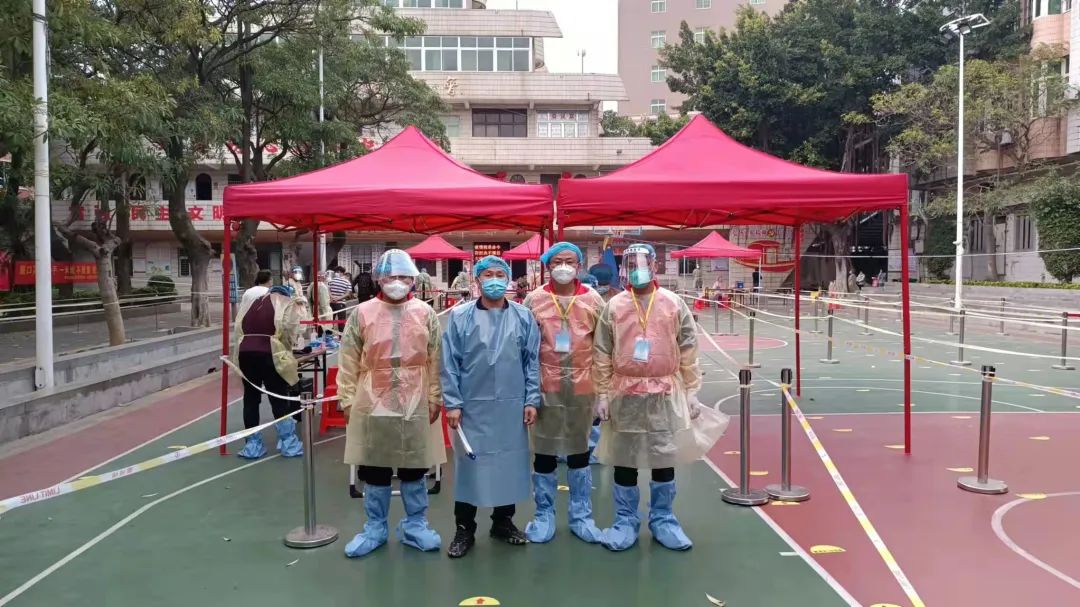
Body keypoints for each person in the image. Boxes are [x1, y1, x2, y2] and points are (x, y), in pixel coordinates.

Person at [593, 243, 713, 552]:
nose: (638, 270)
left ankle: (663, 519)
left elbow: (688, 347)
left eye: (643, 264)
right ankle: (625, 520)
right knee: (624, 458)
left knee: (663, 456)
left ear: (655, 266)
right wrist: (602, 394)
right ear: (624, 269)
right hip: (624, 392)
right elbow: (602, 351)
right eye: (632, 265)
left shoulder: (673, 303)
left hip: (665, 392)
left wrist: (691, 391)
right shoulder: (614, 306)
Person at [337, 250, 446, 558]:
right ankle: (375, 527)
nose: (397, 282)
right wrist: (347, 398)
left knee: (415, 464)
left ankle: (415, 525)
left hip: (417, 395)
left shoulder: (425, 313)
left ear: (413, 280)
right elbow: (348, 358)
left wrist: (435, 395)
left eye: (403, 277)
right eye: (391, 277)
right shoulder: (362, 313)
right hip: (372, 397)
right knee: (375, 465)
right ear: (379, 279)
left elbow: (436, 358)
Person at [441, 255, 540, 558]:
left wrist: (532, 398)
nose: (494, 280)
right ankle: (464, 528)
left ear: (508, 279)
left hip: (512, 405)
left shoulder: (523, 316)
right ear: (477, 280)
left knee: (507, 464)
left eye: (500, 274)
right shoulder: (460, 317)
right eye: (488, 274)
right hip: (471, 407)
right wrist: (453, 402)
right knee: (470, 467)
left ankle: (503, 522)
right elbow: (449, 363)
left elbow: (532, 362)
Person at [522, 242, 605, 544]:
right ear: (548, 266)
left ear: (579, 266)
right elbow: (525, 348)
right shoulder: (534, 299)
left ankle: (581, 515)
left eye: (570, 261)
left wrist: (603, 392)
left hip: (584, 386)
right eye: (557, 262)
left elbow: (604, 347)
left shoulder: (594, 300)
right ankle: (544, 515)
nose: (564, 267)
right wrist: (528, 392)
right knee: (544, 452)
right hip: (545, 385)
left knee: (579, 452)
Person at [231, 282, 308, 459]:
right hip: (270, 354)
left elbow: (238, 329)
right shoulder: (285, 303)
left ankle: (252, 445)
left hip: (245, 354)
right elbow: (291, 329)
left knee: (250, 399)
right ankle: (288, 443)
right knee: (278, 398)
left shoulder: (253, 303)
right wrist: (286, 350)